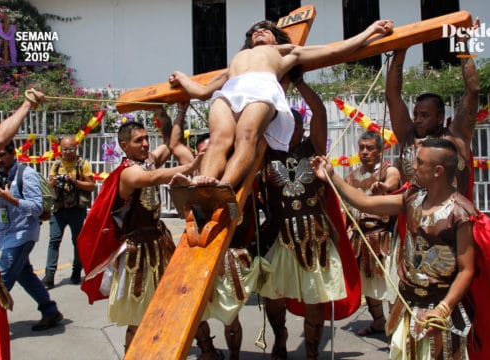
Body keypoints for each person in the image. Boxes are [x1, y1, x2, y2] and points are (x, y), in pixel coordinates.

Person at [169, 19, 394, 191]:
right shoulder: (235, 61)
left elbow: (336, 50)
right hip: (229, 92)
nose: (259, 30)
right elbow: (202, 92)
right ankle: (201, 185)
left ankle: (224, 186)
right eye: (255, 30)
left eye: (265, 29)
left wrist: (371, 30)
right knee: (219, 139)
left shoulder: (285, 52)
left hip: (261, 88)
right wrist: (182, 77)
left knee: (246, 138)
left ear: (276, 39)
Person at [311, 138, 478, 359]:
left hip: (441, 314)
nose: (414, 167)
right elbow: (363, 202)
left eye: (419, 162)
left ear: (437, 171)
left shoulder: (461, 213)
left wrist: (442, 309)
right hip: (408, 307)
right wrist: (332, 176)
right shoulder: (412, 199)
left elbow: (467, 270)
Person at [257, 70, 359, 359]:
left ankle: (312, 354)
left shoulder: (312, 149)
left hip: (315, 236)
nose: (296, 131)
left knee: (316, 301)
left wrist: (299, 81)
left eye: (299, 126)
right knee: (271, 296)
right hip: (278, 235)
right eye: (289, 126)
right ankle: (280, 339)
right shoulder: (265, 153)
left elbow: (320, 110)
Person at [77, 121, 203, 352]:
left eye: (146, 138)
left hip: (160, 244)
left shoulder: (146, 163)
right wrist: (190, 166)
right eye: (139, 140)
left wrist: (179, 112)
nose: (146, 144)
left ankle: (205, 349)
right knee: (139, 314)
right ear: (124, 145)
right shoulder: (128, 173)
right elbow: (154, 178)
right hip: (139, 254)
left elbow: (170, 144)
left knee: (180, 300)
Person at [385, 19, 480, 198]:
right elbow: (393, 96)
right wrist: (401, 50)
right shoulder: (408, 135)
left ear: (440, 118)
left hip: (449, 223)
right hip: (413, 222)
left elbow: (473, 90)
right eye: (416, 114)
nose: (418, 119)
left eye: (425, 115)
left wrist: (462, 44)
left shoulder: (456, 137)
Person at [0, 140, 63, 331]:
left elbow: (37, 207)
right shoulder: (1, 175)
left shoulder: (27, 175)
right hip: (7, 236)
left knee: (1, 283)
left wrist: (13, 200)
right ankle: (50, 311)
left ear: (13, 153)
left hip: (23, 235)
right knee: (25, 275)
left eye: (2, 155)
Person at [344, 131, 400, 336]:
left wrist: (384, 186)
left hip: (384, 237)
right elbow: (346, 207)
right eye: (362, 148)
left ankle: (395, 326)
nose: (365, 152)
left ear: (379, 150)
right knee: (368, 286)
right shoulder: (352, 176)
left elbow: (394, 181)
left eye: (370, 148)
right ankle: (378, 322)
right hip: (360, 237)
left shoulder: (388, 170)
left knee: (391, 285)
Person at [41, 135, 95, 288]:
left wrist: (74, 181)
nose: (68, 152)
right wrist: (56, 180)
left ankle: (76, 272)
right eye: (65, 149)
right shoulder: (57, 164)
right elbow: (49, 185)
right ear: (60, 149)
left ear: (76, 148)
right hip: (59, 209)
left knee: (77, 241)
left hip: (76, 210)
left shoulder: (82, 164)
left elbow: (91, 185)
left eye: (71, 149)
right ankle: (49, 276)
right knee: (54, 240)